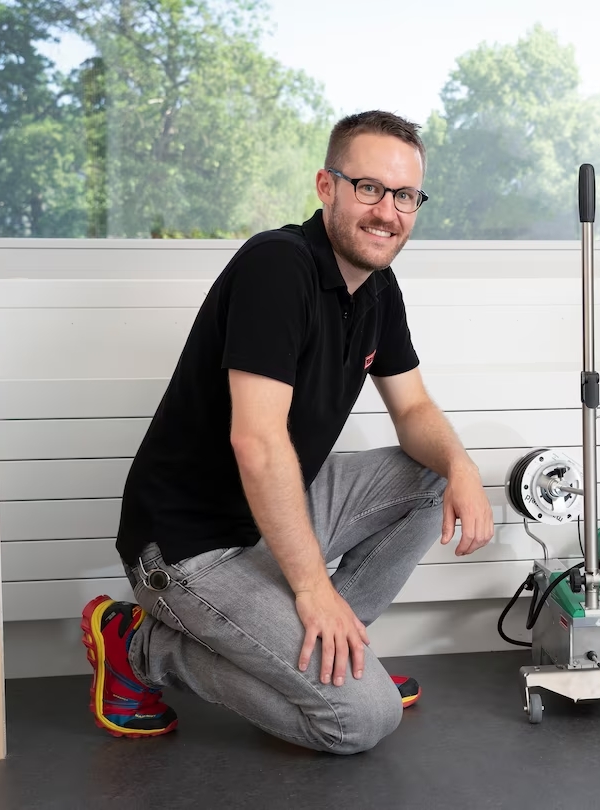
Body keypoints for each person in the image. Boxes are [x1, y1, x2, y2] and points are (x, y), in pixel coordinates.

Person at [78, 111, 494, 754]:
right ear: (326, 187)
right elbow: (258, 441)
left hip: (272, 514)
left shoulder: (379, 288)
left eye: (405, 196)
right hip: (191, 548)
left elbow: (412, 412)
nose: (388, 211)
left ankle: (335, 655)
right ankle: (140, 647)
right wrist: (312, 588)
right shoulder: (279, 266)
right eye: (369, 188)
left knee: (433, 473)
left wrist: (463, 468)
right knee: (361, 720)